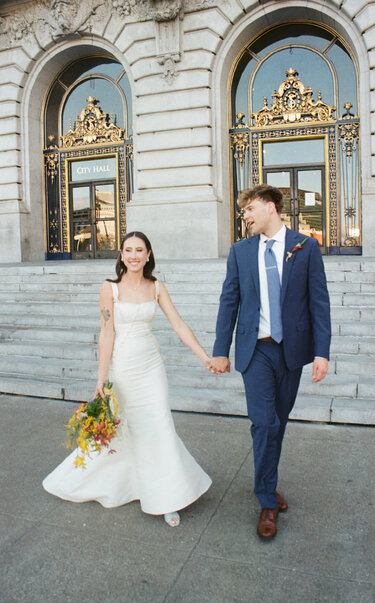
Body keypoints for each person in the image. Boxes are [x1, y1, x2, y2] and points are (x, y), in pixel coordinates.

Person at [43, 231, 212, 527]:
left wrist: (204, 357)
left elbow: (179, 324)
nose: (133, 255)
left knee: (160, 424)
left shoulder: (157, 287)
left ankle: (167, 497)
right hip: (123, 367)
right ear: (121, 255)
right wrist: (101, 379)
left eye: (139, 250)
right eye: (128, 250)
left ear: (149, 255)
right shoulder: (111, 288)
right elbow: (107, 332)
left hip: (151, 365)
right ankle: (128, 483)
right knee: (128, 429)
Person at [209, 184, 331, 540]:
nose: (244, 216)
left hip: (292, 350)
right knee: (264, 424)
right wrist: (221, 349)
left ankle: (267, 482)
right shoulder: (240, 252)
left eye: (249, 209)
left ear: (270, 208)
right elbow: (228, 301)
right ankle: (267, 500)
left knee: (278, 422)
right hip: (256, 350)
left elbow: (319, 302)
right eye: (243, 210)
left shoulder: (305, 247)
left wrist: (321, 352)